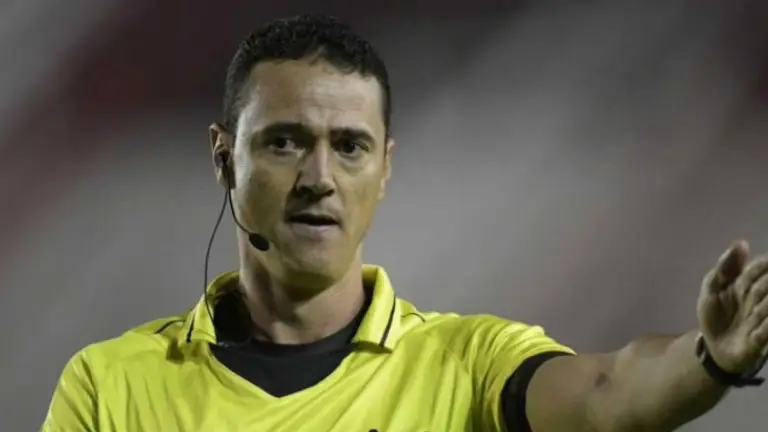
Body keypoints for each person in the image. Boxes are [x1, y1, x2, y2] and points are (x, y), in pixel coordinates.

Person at [42, 14, 768, 432]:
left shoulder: (470, 365)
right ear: (224, 158)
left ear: (385, 168)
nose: (320, 178)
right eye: (285, 142)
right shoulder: (111, 387)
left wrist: (709, 358)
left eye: (350, 147)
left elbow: (610, 390)